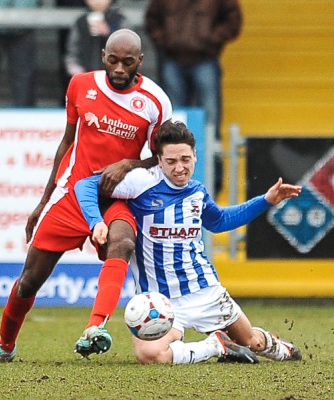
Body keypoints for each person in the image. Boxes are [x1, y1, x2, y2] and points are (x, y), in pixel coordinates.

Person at [0, 28, 172, 364]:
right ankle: (4, 346)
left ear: (140, 62)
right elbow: (67, 142)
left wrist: (128, 163)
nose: (119, 69)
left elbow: (160, 155)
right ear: (104, 55)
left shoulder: (155, 101)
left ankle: (94, 328)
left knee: (122, 242)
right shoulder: (81, 85)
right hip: (72, 194)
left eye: (128, 62)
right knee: (28, 281)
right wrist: (44, 201)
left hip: (117, 197)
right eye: (113, 60)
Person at [74, 120, 303, 365]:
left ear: (195, 156)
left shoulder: (197, 191)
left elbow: (220, 221)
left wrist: (266, 200)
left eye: (185, 159)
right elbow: (84, 185)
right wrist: (96, 221)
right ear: (159, 161)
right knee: (149, 355)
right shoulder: (141, 183)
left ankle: (279, 347)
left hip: (206, 291)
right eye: (171, 162)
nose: (179, 168)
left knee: (252, 343)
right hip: (162, 303)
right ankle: (217, 345)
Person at [145, 0, 243, 196]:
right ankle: (167, 179)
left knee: (211, 123)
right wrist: (166, 42)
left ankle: (213, 182)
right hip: (173, 60)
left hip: (205, 60)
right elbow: (151, 19)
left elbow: (234, 19)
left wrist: (212, 39)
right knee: (171, 124)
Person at [63, 0, 128, 99]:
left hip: (114, 80)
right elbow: (72, 50)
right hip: (86, 79)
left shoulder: (119, 20)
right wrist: (77, 71)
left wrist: (108, 33)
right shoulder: (81, 22)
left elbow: (128, 47)